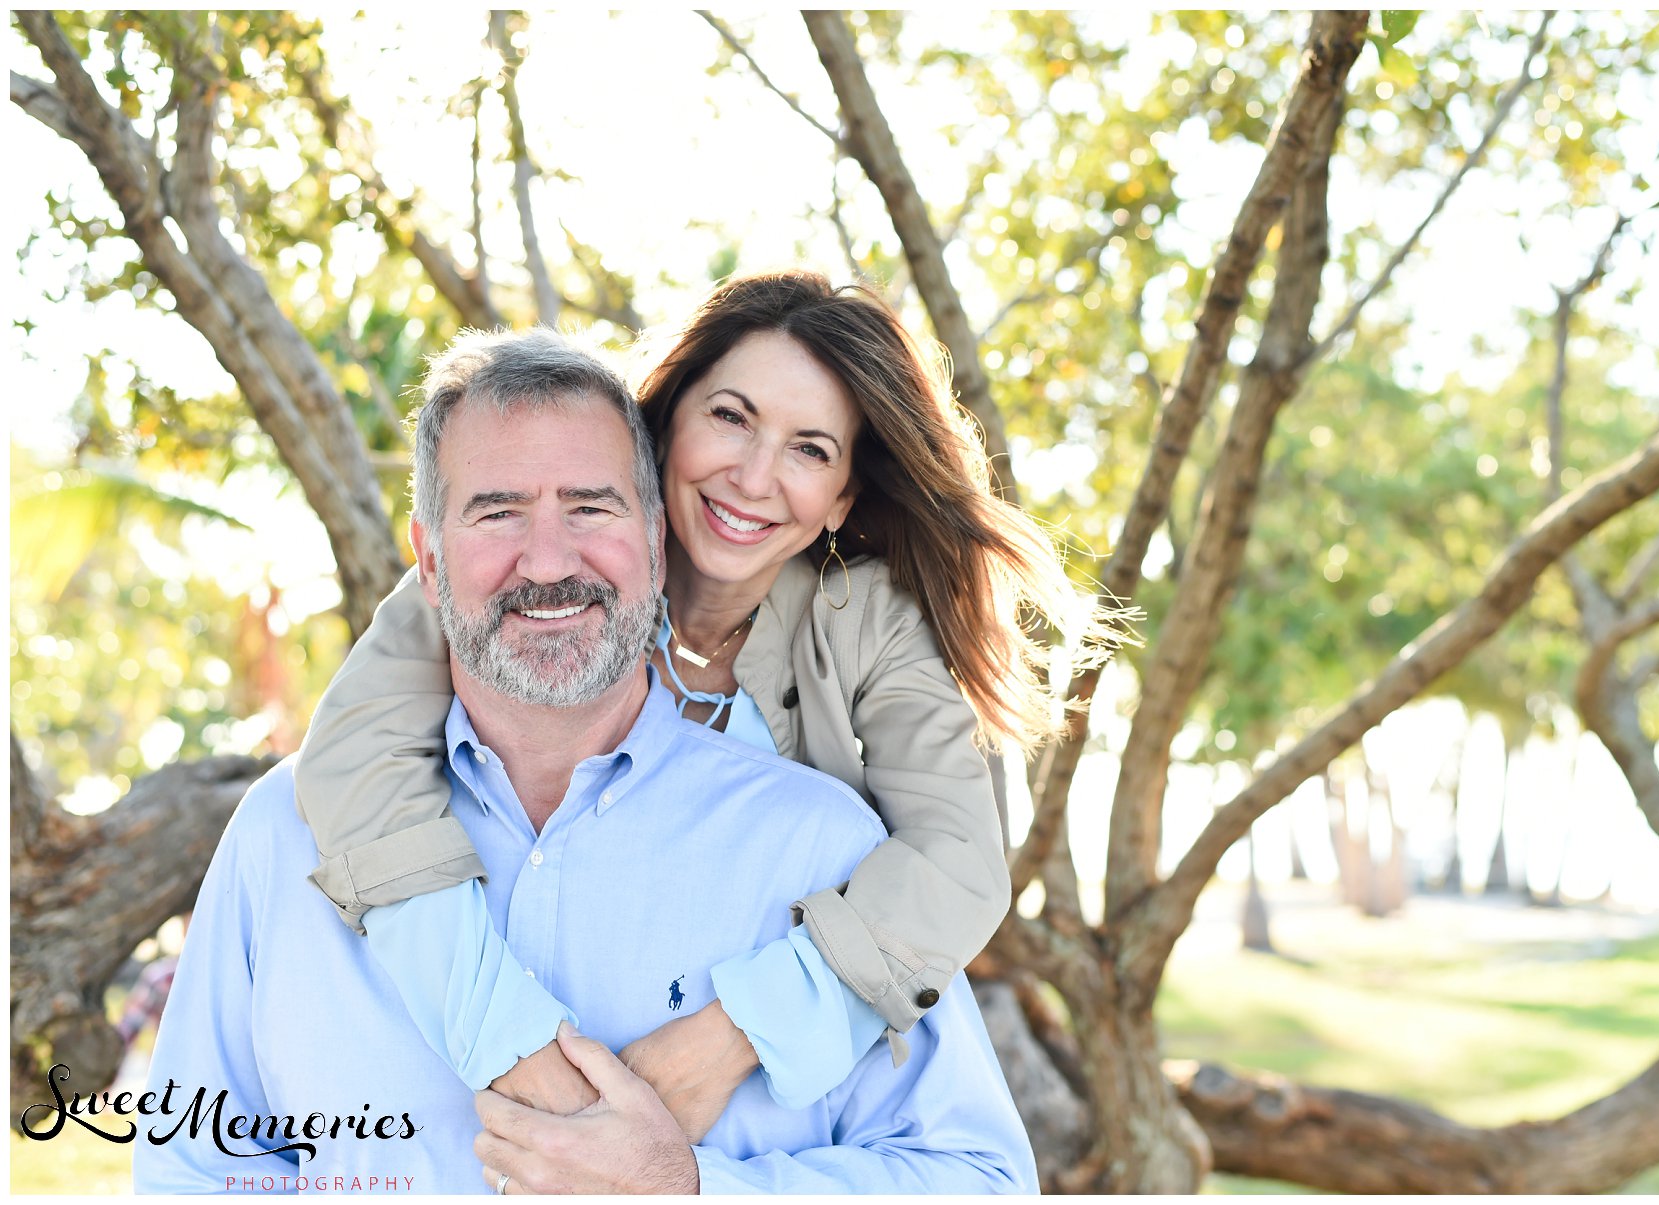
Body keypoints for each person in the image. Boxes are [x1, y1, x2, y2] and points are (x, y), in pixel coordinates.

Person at [132, 329, 1035, 1193]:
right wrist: (517, 1048)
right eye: (498, 512)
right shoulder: (284, 835)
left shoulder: (826, 833)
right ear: (430, 558)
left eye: (589, 506)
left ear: (649, 532)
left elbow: (980, 1167)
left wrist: (687, 1175)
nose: (548, 557)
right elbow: (196, 1171)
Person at [291, 271, 1104, 1142]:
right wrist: (510, 1044)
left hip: (754, 1119)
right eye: (731, 416)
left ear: (841, 501)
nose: (753, 477)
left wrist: (730, 1038)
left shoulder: (872, 624)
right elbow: (352, 751)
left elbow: (957, 862)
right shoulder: (542, 566)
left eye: (810, 449)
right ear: (666, 418)